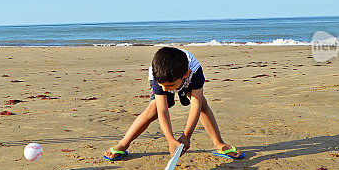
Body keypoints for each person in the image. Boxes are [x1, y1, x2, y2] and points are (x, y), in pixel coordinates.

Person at [103, 46, 243, 161]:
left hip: (187, 80)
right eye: (162, 85)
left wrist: (186, 136)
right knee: (154, 109)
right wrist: (170, 139)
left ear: (185, 74)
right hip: (167, 77)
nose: (165, 89)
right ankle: (123, 144)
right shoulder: (158, 75)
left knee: (203, 105)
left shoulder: (194, 70)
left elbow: (196, 104)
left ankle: (219, 143)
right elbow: (163, 111)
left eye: (169, 86)